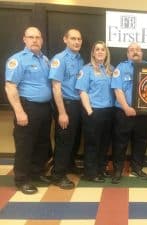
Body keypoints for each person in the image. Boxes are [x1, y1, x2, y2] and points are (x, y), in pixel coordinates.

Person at [5, 27, 52, 194]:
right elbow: (10, 87)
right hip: (27, 108)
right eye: (31, 37)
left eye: (38, 37)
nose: (35, 40)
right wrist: (19, 112)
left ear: (42, 40)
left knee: (42, 143)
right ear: (24, 39)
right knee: (25, 145)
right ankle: (22, 180)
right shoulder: (17, 60)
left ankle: (37, 173)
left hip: (45, 108)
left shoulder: (45, 60)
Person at [110, 42, 147, 184]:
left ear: (142, 53)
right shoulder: (120, 68)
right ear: (127, 54)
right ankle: (117, 170)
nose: (135, 52)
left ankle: (137, 168)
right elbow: (117, 90)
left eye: (138, 50)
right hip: (124, 112)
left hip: (143, 113)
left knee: (141, 141)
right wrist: (126, 108)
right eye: (132, 50)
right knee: (120, 143)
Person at [49, 28, 84, 189]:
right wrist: (62, 113)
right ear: (65, 39)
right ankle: (58, 175)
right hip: (66, 105)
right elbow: (56, 87)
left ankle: (69, 165)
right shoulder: (59, 59)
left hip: (78, 106)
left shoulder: (80, 59)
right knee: (64, 141)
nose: (76, 42)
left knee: (74, 139)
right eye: (73, 39)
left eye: (79, 39)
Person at [75, 41, 114, 182]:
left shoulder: (111, 70)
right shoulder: (86, 70)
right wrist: (90, 111)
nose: (100, 52)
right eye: (97, 49)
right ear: (93, 52)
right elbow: (82, 91)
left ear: (106, 52)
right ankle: (90, 173)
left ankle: (101, 169)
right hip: (93, 112)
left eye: (103, 49)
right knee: (93, 144)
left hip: (109, 112)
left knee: (104, 144)